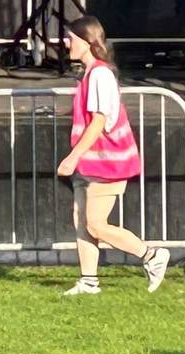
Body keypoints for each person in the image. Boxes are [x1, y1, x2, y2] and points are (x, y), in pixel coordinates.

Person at [51, 15, 171, 295]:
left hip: (107, 163)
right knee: (82, 221)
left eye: (71, 38)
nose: (67, 43)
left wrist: (72, 156)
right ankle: (89, 281)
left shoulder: (100, 74)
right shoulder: (90, 74)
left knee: (95, 224)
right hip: (92, 162)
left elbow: (99, 121)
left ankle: (151, 255)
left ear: (86, 41)